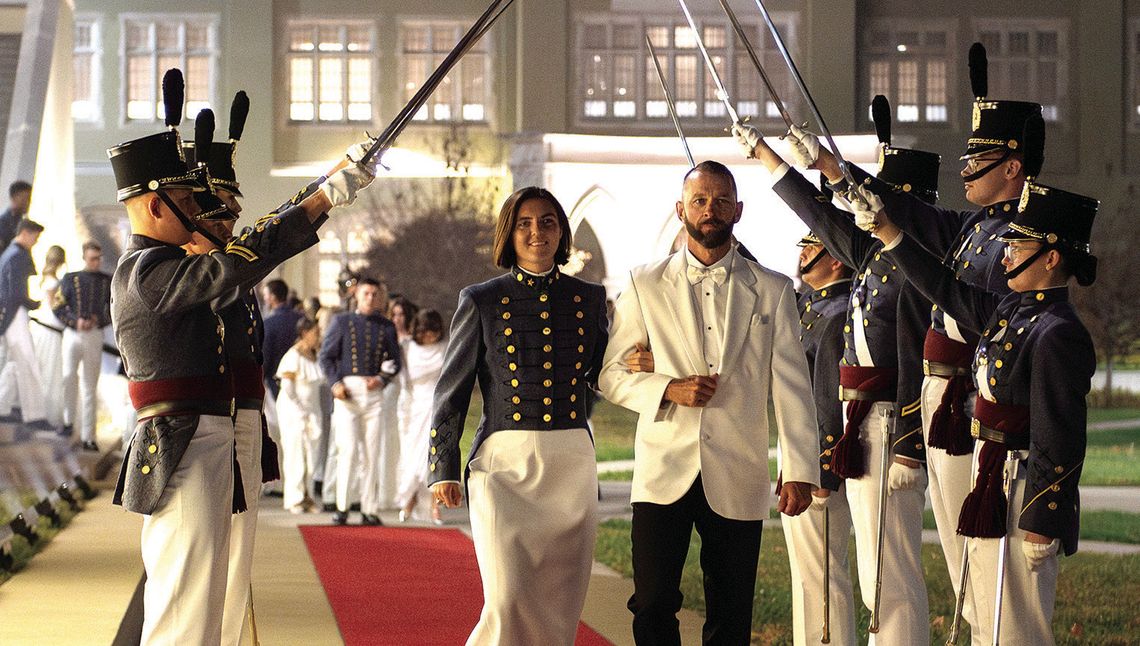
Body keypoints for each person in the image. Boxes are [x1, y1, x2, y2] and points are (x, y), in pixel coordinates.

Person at [107, 69, 378, 645]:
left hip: (208, 436)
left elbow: (242, 253)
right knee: (185, 607)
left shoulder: (172, 268)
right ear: (157, 205)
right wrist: (324, 195)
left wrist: (322, 192)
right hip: (180, 440)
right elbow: (236, 262)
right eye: (189, 201)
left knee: (213, 598)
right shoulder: (144, 272)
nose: (208, 212)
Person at [797, 45, 1043, 638]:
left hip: (972, 413)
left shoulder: (1020, 239)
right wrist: (835, 171)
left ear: (1013, 166)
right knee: (970, 576)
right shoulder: (974, 228)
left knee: (991, 582)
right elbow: (908, 212)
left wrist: (886, 229)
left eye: (979, 159)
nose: (965, 169)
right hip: (949, 409)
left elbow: (952, 304)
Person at [734, 98, 937, 643]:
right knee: (875, 576)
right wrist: (769, 156)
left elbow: (920, 357)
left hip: (889, 422)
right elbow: (818, 214)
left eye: (875, 196)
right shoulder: (877, 256)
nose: (862, 205)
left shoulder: (917, 266)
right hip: (860, 423)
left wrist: (910, 443)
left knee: (888, 574)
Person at [864, 173, 1097, 645]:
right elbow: (943, 287)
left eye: (1019, 245)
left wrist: (1043, 518)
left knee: (1016, 625)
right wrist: (889, 233)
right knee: (986, 608)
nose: (1006, 252)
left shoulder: (1057, 330)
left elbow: (1061, 433)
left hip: (1019, 485)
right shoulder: (1012, 310)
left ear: (1051, 258)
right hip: (990, 478)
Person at [598, 161, 818, 645]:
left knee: (732, 611)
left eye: (721, 200)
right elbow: (611, 376)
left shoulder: (775, 290)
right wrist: (666, 388)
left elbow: (792, 387)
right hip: (661, 471)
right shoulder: (643, 283)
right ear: (681, 210)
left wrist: (801, 467)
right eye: (699, 200)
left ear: (738, 210)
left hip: (738, 468)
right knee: (652, 602)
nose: (709, 209)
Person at [428, 186, 608, 645]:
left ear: (561, 231)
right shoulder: (481, 299)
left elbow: (606, 375)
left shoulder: (588, 299)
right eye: (525, 223)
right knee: (506, 598)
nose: (536, 232)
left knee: (560, 608)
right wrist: (442, 469)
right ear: (510, 233)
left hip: (571, 463)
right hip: (502, 465)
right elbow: (453, 389)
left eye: (547, 221)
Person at [786, 232, 859, 646]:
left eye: (813, 248)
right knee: (808, 573)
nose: (803, 255)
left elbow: (826, 398)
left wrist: (823, 468)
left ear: (837, 260)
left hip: (816, 461)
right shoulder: (816, 306)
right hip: (800, 453)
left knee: (825, 572)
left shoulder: (835, 314)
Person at [319, 277, 401, 526]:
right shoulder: (342, 322)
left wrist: (382, 379)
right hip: (348, 390)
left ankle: (369, 508)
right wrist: (335, 384)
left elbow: (396, 361)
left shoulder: (386, 326)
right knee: (348, 450)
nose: (371, 298)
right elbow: (326, 357)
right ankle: (342, 506)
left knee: (372, 452)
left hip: (373, 391)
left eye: (375, 294)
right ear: (357, 295)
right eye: (366, 293)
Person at [53, 242, 112, 451]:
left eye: (98, 258)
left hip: (93, 335)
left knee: (89, 385)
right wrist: (74, 321)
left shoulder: (107, 281)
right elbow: (58, 306)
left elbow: (114, 308)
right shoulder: (70, 278)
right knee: (68, 377)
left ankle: (89, 436)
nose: (96, 262)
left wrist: (99, 320)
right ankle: (68, 422)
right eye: (92, 258)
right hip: (72, 334)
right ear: (84, 258)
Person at [396, 308, 445, 523]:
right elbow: (404, 382)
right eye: (425, 331)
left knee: (435, 455)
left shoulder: (445, 348)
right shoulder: (408, 349)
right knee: (413, 456)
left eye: (433, 331)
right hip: (414, 408)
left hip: (438, 406)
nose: (429, 336)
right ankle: (411, 498)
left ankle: (435, 504)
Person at [0, 219, 50, 431]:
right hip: (15, 313)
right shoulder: (18, 255)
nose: (35, 242)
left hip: (9, 313)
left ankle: (2, 406)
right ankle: (35, 415)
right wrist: (34, 303)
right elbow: (16, 292)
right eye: (35, 237)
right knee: (28, 362)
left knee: (13, 364)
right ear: (26, 233)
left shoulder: (8, 254)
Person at [276, 317, 325, 513]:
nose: (318, 337)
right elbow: (288, 386)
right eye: (315, 333)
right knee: (295, 453)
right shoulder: (293, 356)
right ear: (305, 333)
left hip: (312, 409)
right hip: (293, 411)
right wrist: (299, 409)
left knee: (311, 455)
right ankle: (295, 498)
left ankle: (309, 496)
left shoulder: (314, 355)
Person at [31, 244, 67, 431]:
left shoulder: (47, 278)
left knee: (47, 369)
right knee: (52, 370)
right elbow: (54, 307)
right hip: (52, 327)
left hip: (43, 325)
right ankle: (51, 415)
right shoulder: (54, 281)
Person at [0, 180, 31, 252]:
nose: (28, 203)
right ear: (15, 197)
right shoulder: (3, 222)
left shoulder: (21, 221)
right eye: (26, 198)